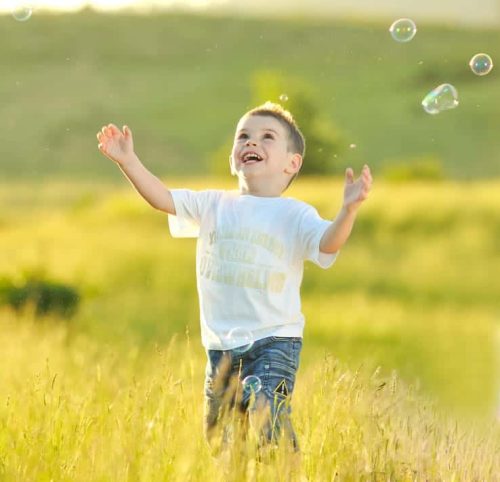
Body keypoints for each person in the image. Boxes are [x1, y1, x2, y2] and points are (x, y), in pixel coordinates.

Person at [96, 101, 372, 457]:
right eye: (243, 136)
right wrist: (128, 161)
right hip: (220, 345)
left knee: (268, 419)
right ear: (233, 158)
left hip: (275, 339)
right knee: (222, 439)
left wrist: (348, 210)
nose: (251, 142)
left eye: (267, 137)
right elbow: (162, 198)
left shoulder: (294, 213)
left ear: (292, 163)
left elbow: (327, 241)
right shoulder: (213, 204)